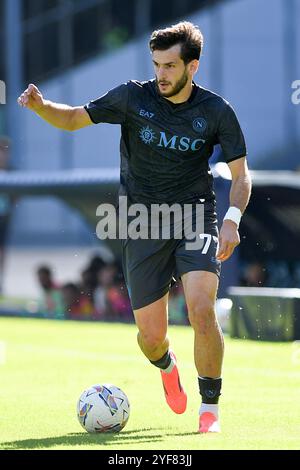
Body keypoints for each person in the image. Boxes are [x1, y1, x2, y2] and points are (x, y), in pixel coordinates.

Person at [18, 21, 252, 433]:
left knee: (201, 307)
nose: (160, 74)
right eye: (156, 64)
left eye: (169, 66)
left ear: (192, 67)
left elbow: (241, 175)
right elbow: (74, 119)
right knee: (151, 338)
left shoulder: (217, 111)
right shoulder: (131, 96)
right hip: (142, 224)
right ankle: (166, 365)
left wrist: (231, 221)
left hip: (195, 216)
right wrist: (41, 107)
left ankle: (209, 410)